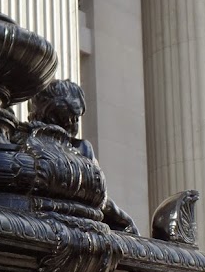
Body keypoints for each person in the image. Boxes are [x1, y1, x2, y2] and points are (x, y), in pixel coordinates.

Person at [29, 79, 138, 234]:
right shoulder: (81, 149)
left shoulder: (27, 142)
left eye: (76, 118)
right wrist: (126, 222)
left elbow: (99, 198)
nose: (75, 124)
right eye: (73, 118)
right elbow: (98, 195)